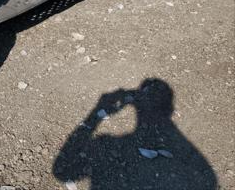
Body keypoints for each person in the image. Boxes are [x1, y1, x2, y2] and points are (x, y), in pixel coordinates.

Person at [53, 78, 217, 189]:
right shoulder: (204, 172)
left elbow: (62, 172)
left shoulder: (204, 173)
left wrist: (94, 114)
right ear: (170, 108)